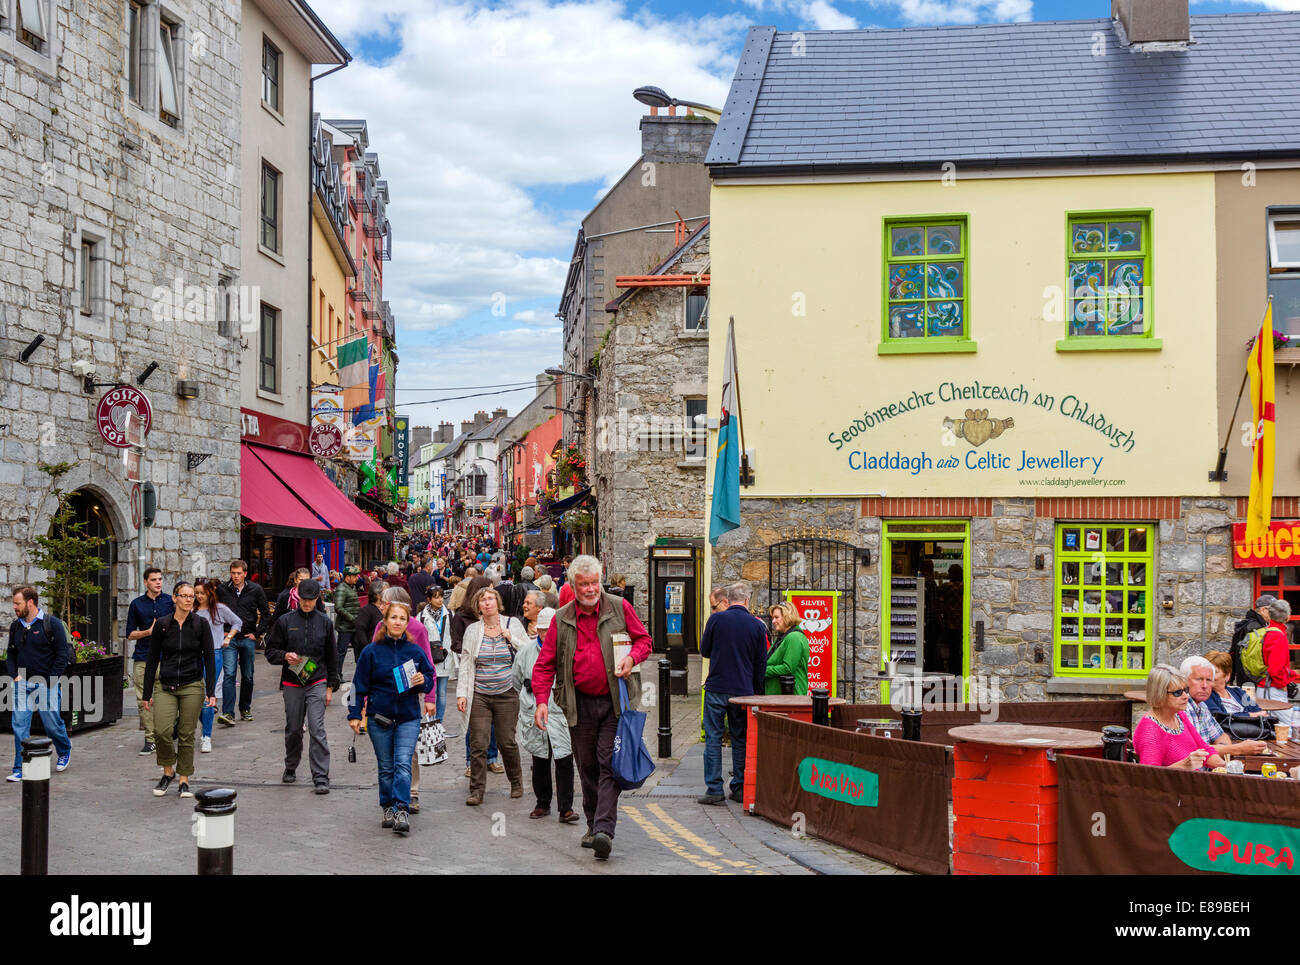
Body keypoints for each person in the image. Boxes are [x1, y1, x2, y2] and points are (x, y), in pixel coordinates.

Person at [532, 555, 652, 861]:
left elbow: (644, 641)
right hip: (578, 703)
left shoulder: (619, 607)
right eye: (584, 584)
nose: (590, 589)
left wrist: (632, 658)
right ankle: (592, 824)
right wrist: (542, 702)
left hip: (615, 701)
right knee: (587, 766)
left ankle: (603, 830)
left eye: (594, 583)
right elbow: (545, 666)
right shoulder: (562, 617)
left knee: (608, 762)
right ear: (573, 586)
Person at [349, 600, 434, 835]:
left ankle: (401, 809)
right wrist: (355, 714)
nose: (397, 622)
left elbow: (429, 677)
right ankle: (387, 805)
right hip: (380, 718)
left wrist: (423, 682)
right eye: (393, 617)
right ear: (385, 621)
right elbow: (358, 686)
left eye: (402, 618)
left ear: (408, 623)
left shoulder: (414, 651)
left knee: (403, 763)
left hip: (408, 717)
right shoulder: (371, 652)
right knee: (386, 767)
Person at [142, 582, 217, 797]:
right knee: (162, 731)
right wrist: (147, 693)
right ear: (174, 598)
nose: (187, 599)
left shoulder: (200, 624)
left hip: (192, 684)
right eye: (183, 596)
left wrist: (210, 691)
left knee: (186, 733)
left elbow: (209, 659)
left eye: (191, 596)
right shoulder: (163, 625)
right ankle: (168, 772)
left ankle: (184, 778)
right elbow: (152, 659)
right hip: (165, 685)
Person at [264, 579, 340, 793]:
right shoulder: (285, 621)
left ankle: (321, 776)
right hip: (292, 682)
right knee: (294, 728)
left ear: (317, 599)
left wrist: (330, 687)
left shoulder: (325, 622)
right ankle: (291, 765)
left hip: (317, 679)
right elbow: (270, 652)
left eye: (311, 600)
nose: (306, 604)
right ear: (298, 597)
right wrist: (285, 656)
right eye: (303, 600)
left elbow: (332, 657)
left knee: (317, 728)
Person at [457, 586, 530, 806]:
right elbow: (467, 664)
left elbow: (528, 651)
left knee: (506, 742)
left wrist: (512, 639)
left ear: (498, 603)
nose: (487, 603)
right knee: (478, 742)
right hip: (480, 693)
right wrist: (462, 694)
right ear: (477, 605)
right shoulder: (473, 630)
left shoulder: (512, 624)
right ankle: (477, 790)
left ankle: (516, 781)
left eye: (491, 599)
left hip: (507, 693)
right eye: (483, 600)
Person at [698, 581, 768, 805]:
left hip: (717, 687)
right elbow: (760, 664)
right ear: (747, 600)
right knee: (740, 738)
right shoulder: (757, 626)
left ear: (729, 598)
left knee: (713, 738)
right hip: (742, 691)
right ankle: (739, 787)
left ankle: (714, 789)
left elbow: (704, 650)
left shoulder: (717, 620)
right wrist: (757, 690)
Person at [375, 587, 436, 813]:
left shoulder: (418, 629)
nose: (381, 605)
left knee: (407, 749)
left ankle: (412, 792)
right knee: (387, 750)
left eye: (385, 602)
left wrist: (429, 697)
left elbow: (429, 666)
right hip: (383, 698)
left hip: (409, 697)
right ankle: (392, 794)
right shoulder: (380, 627)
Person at [514, 604, 577, 822]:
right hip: (535, 712)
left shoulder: (568, 650)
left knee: (564, 759)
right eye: (542, 629)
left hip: (560, 712)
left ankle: (566, 808)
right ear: (537, 630)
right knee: (540, 758)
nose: (546, 633)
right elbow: (516, 680)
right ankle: (542, 803)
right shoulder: (525, 652)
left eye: (550, 629)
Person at [7, 587, 72, 781]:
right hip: (23, 683)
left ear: (30, 603)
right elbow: (11, 653)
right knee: (19, 725)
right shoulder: (16, 626)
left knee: (51, 724)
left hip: (46, 683)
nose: (14, 607)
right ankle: (20, 767)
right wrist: (14, 676)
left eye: (17, 603)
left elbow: (62, 655)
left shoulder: (52, 624)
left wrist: (51, 680)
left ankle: (64, 750)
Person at [1133, 664, 1226, 770]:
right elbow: (1149, 777)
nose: (1186, 696)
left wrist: (1223, 764)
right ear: (1159, 694)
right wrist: (1183, 766)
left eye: (1185, 690)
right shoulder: (1150, 730)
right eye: (1177, 693)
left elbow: (1203, 747)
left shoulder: (1179, 715)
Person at [452, 575, 499, 773]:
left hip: (494, 675)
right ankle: (471, 761)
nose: (489, 599)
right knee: (473, 722)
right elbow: (455, 643)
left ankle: (491, 757)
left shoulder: (494, 616)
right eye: (485, 593)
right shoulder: (461, 617)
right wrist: (474, 648)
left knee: (494, 722)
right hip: (473, 674)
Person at [125, 567, 173, 754]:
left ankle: (167, 733)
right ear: (146, 582)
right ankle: (150, 738)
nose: (158, 582)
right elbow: (129, 634)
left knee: (168, 698)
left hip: (167, 658)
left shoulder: (170, 601)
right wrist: (148, 632)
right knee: (144, 700)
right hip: (143, 658)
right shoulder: (137, 604)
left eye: (160, 579)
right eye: (154, 580)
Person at [1178, 655, 1268, 756]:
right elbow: (1193, 750)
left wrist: (1224, 749)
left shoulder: (1236, 693)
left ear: (1227, 676)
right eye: (1199, 679)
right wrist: (1236, 749)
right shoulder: (1181, 707)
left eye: (1209, 680)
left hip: (1243, 739)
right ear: (1184, 681)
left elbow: (1221, 736)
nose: (1204, 685)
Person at [217, 560, 269, 724]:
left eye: (239, 573)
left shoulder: (255, 589)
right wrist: (221, 631)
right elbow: (214, 611)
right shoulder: (222, 590)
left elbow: (266, 614)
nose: (236, 576)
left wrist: (257, 633)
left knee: (247, 675)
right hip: (229, 638)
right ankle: (228, 713)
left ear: (245, 573)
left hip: (247, 637)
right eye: (233, 573)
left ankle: (245, 708)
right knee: (229, 674)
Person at [193, 580, 239, 754]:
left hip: (214, 653)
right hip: (194, 655)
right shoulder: (192, 610)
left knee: (207, 694)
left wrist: (228, 638)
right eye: (196, 593)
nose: (199, 596)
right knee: (195, 695)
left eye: (202, 593)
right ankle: (202, 725)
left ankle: (206, 736)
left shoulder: (219, 609)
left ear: (210, 593)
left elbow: (237, 622)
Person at [1256, 598, 1298, 728]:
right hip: (1273, 688)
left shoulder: (1268, 631)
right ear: (1287, 617)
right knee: (1288, 727)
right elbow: (1275, 669)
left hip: (1265, 686)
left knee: (1270, 726)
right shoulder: (1278, 636)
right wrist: (1284, 683)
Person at [420, 586, 454, 724]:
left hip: (445, 657)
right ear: (429, 599)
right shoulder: (422, 616)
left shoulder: (450, 614)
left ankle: (438, 722)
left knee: (442, 693)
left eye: (441, 596)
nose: (440, 600)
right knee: (430, 692)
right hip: (429, 658)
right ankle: (431, 721)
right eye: (436, 596)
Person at [1203, 650, 1268, 717]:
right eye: (1207, 671)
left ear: (1227, 675)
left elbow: (1257, 710)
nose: (1209, 675)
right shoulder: (1205, 695)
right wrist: (1250, 715)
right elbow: (1220, 717)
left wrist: (1256, 715)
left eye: (1215, 672)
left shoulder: (1238, 692)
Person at [765, 602, 810, 695]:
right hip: (782, 695)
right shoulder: (784, 636)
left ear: (787, 616)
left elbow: (788, 668)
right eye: (773, 618)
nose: (773, 621)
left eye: (776, 617)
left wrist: (764, 670)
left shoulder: (794, 637)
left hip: (790, 696)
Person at [1228, 595, 1274, 685]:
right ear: (1263, 610)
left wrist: (1230, 679)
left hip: (1245, 679)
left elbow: (1233, 653)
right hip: (1256, 680)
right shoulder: (1256, 628)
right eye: (1272, 610)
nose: (1274, 613)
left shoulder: (1246, 625)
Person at [333, 565, 361, 670]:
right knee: (341, 652)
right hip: (345, 627)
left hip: (353, 626)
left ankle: (361, 674)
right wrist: (353, 618)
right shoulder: (342, 588)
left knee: (358, 650)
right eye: (354, 576)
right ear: (347, 577)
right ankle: (337, 674)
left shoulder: (351, 587)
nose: (357, 577)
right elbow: (338, 607)